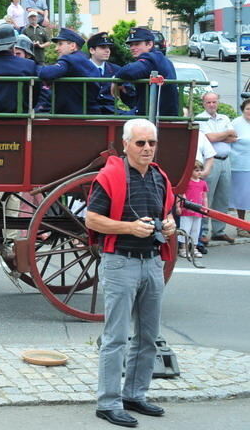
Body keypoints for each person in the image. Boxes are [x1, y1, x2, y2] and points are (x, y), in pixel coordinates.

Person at [86, 118, 176, 427]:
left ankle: (134, 394)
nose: (148, 148)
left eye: (152, 143)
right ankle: (108, 402)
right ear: (126, 145)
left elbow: (169, 213)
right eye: (141, 143)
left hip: (152, 261)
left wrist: (170, 224)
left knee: (148, 335)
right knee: (116, 337)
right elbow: (92, 219)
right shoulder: (110, 175)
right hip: (120, 262)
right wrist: (129, 228)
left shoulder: (159, 177)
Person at [195, 92, 238, 247]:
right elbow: (209, 138)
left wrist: (219, 136)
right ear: (203, 103)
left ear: (218, 102)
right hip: (210, 161)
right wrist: (225, 134)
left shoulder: (225, 118)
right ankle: (204, 232)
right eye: (208, 102)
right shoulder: (201, 118)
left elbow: (234, 137)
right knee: (207, 196)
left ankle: (219, 231)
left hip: (226, 161)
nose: (211, 105)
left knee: (223, 197)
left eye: (214, 102)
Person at [114, 27, 178, 118]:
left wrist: (115, 79)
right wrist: (124, 92)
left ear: (149, 44)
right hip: (160, 114)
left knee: (112, 121)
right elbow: (137, 100)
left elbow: (129, 71)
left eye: (137, 44)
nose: (132, 48)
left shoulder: (150, 58)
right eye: (131, 45)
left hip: (154, 117)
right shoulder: (162, 59)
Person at [38, 27, 100, 115]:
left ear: (72, 46)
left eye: (60, 44)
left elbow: (45, 73)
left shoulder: (70, 59)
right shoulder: (82, 59)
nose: (56, 48)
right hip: (88, 113)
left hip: (73, 116)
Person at [226, 98, 250, 235]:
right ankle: (241, 226)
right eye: (247, 109)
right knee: (241, 198)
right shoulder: (235, 123)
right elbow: (227, 140)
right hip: (240, 165)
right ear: (243, 109)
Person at [87, 32, 122, 115]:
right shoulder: (81, 69)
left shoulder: (116, 69)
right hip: (87, 113)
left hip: (112, 112)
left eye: (108, 47)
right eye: (103, 47)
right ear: (92, 50)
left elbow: (128, 94)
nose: (108, 50)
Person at [181, 161, 208, 259]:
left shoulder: (203, 183)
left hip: (198, 211)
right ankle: (183, 248)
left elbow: (204, 197)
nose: (199, 172)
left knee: (195, 230)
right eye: (197, 170)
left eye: (201, 170)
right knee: (185, 229)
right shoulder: (186, 182)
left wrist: (205, 209)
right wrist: (179, 206)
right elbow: (182, 195)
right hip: (187, 211)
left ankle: (194, 248)